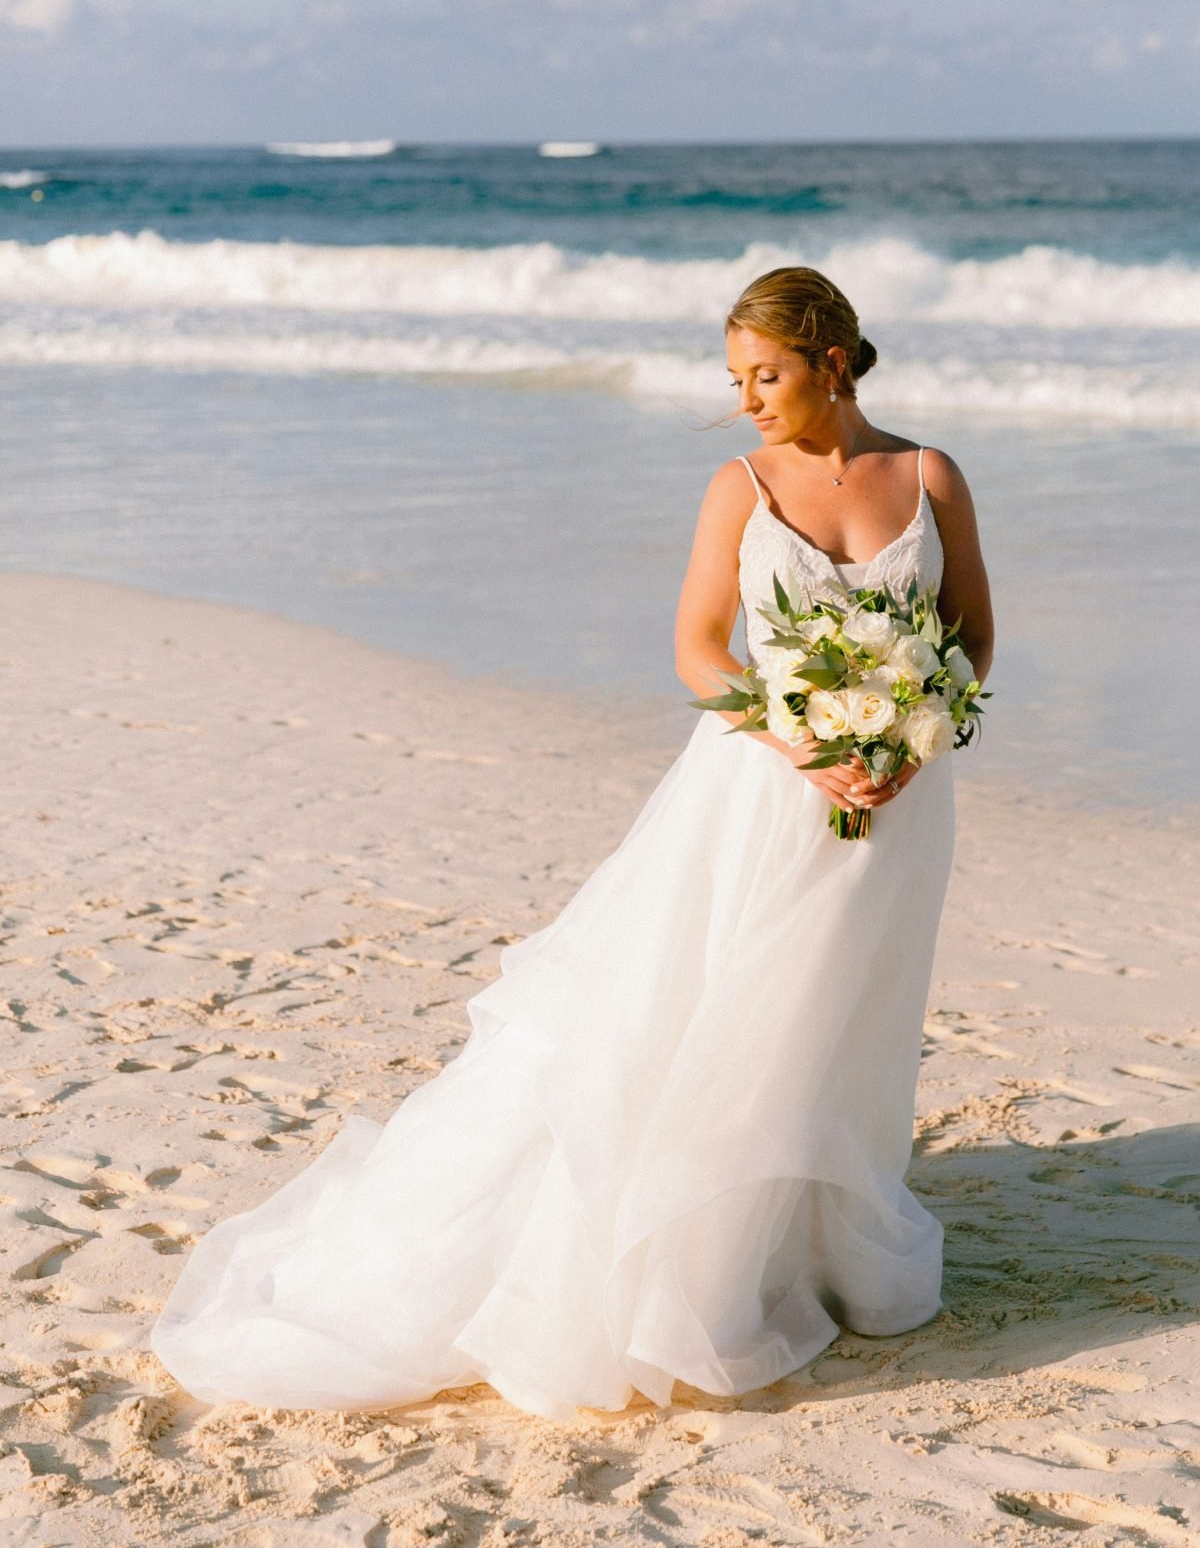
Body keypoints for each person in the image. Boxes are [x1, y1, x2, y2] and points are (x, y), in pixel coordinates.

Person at [150, 265, 994, 1422]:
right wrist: (802, 747)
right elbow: (702, 651)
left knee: (848, 1015)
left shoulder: (929, 474)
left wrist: (908, 737)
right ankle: (713, 1264)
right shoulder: (737, 486)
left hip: (899, 797)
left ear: (831, 360)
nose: (748, 396)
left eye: (768, 372)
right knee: (728, 1010)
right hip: (762, 791)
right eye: (735, 376)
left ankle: (827, 1244)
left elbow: (970, 639)